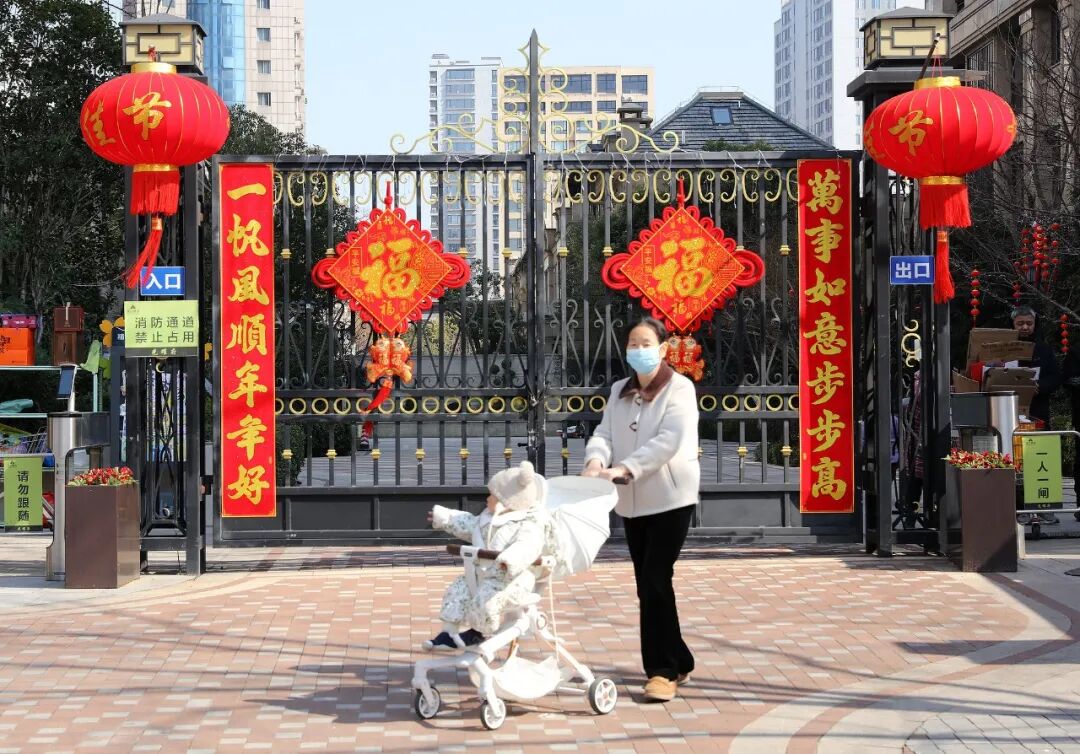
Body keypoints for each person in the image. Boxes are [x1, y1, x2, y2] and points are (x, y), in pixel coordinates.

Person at [581, 317, 700, 703]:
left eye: (646, 343)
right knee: (648, 585)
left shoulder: (680, 389)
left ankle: (662, 672)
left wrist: (626, 468)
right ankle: (680, 658)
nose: (638, 349)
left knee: (654, 578)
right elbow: (604, 433)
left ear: (663, 348)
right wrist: (595, 460)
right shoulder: (620, 390)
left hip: (670, 499)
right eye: (632, 343)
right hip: (632, 504)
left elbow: (668, 441)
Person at [423, 461, 550, 651]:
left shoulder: (528, 524)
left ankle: (479, 633)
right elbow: (468, 523)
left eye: (492, 495)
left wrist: (509, 560)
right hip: (481, 575)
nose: (487, 498)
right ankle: (449, 631)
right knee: (458, 589)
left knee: (487, 599)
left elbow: (528, 545)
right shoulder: (487, 519)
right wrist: (444, 517)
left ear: (506, 501)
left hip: (512, 580)